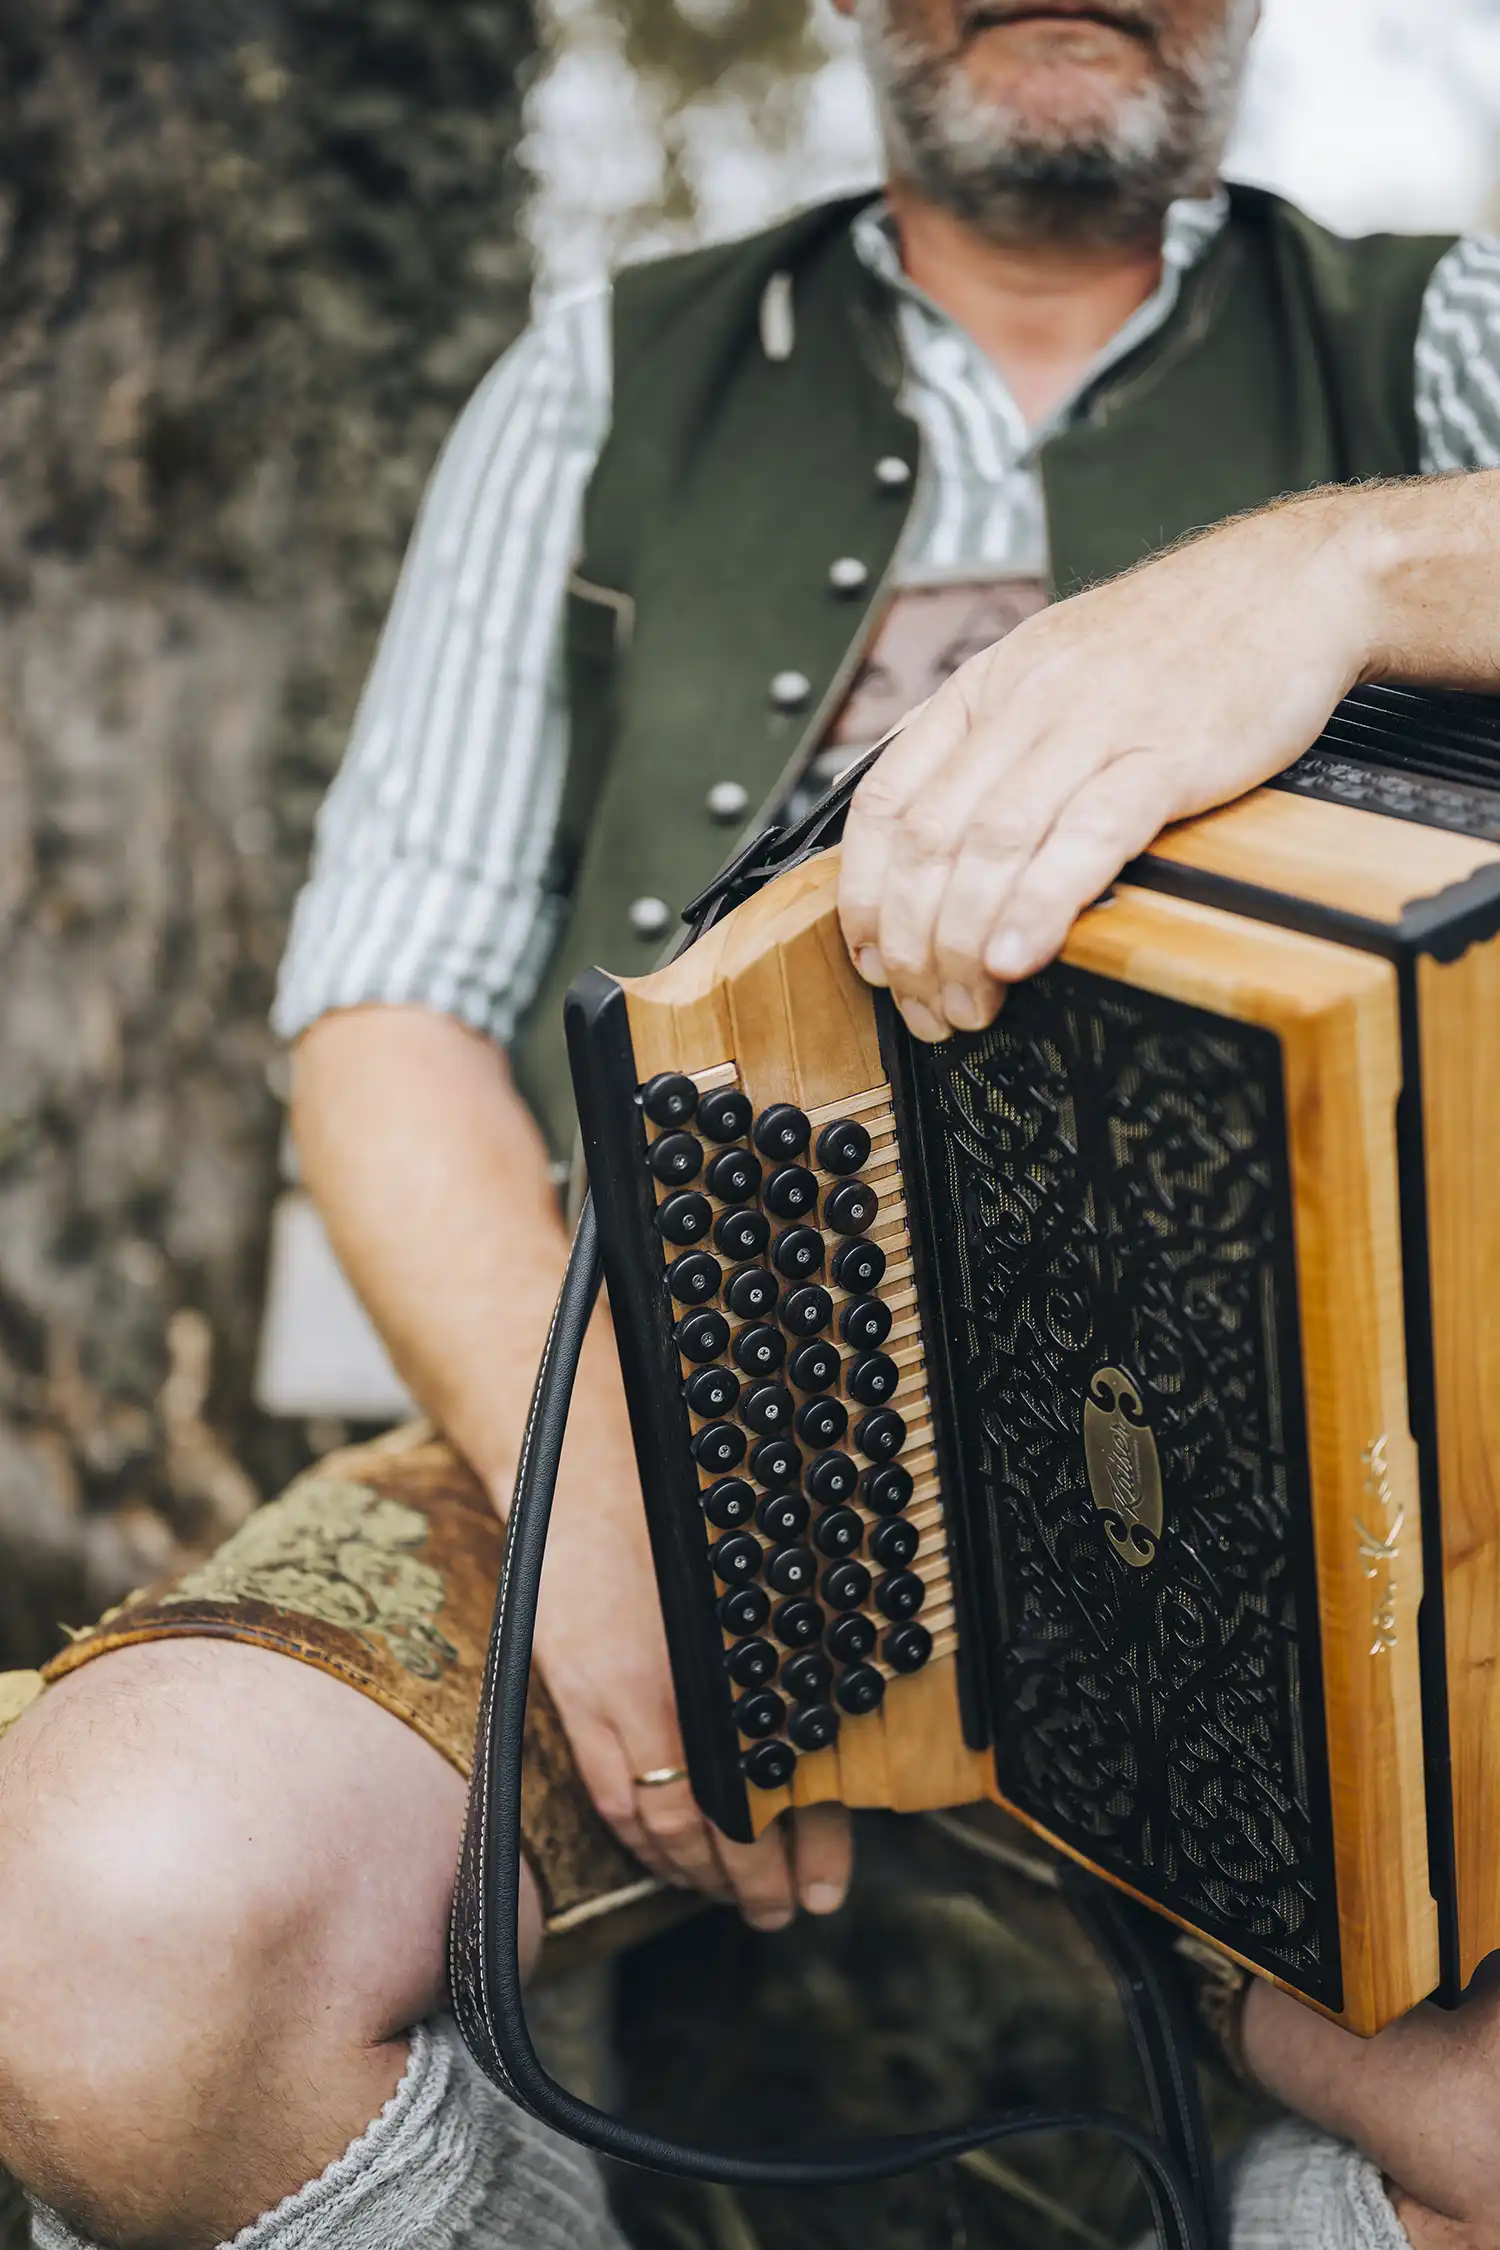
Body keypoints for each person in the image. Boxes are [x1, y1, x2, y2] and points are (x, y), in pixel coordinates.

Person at [3, 1, 1500, 2245]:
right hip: (627, 1412)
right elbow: (383, 1009)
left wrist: (1339, 574)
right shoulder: (600, 378)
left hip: (1344, 1497)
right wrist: (595, 1500)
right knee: (110, 1925)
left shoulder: (1442, 338)